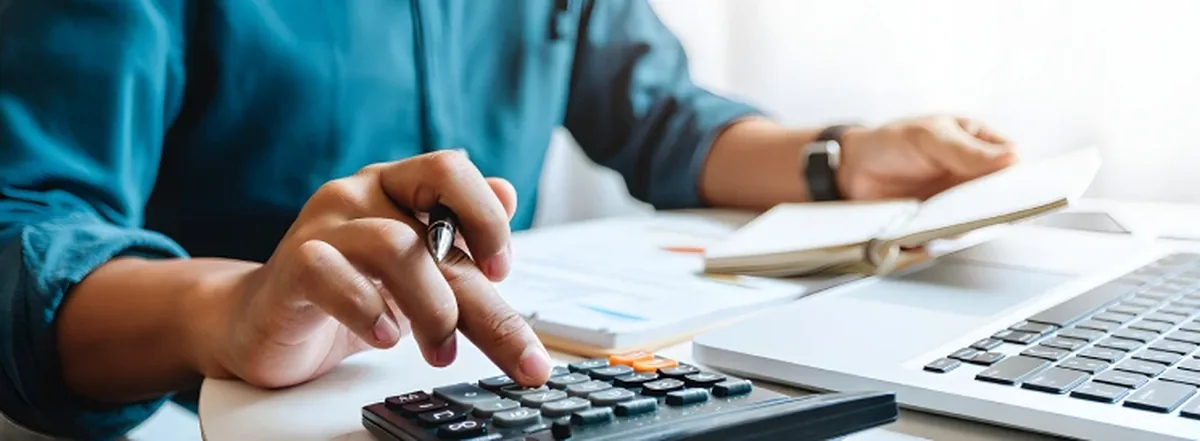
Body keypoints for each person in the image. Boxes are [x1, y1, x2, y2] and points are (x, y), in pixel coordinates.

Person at [0, 0, 1016, 439]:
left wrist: (837, 157)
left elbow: (660, 117)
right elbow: (27, 232)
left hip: (492, 404)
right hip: (202, 414)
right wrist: (232, 308)